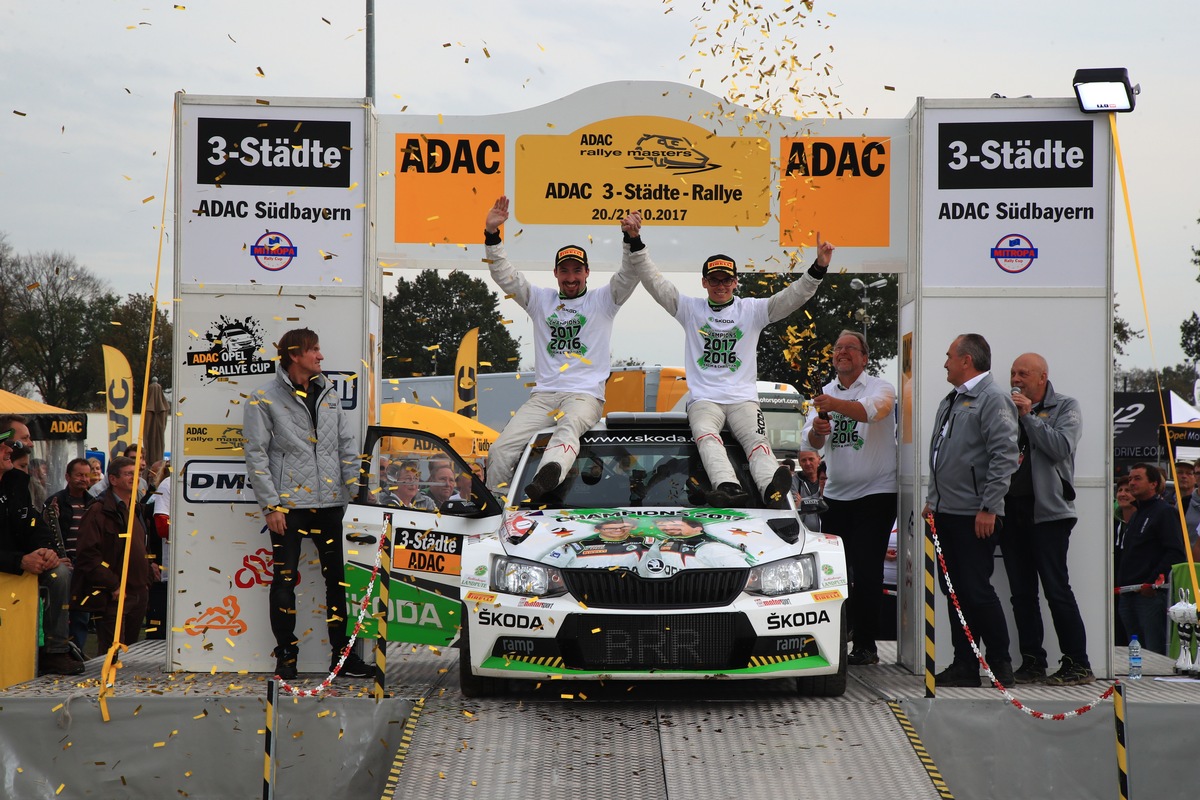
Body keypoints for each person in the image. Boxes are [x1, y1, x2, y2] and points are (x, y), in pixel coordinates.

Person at [626, 212, 833, 508]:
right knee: (707, 437)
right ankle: (726, 485)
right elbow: (655, 283)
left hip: (743, 399)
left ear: (736, 282)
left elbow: (792, 297)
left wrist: (818, 268)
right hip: (704, 399)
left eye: (726, 280)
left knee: (758, 443)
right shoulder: (690, 308)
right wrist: (634, 241)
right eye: (714, 280)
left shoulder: (752, 310)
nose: (720, 285)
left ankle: (770, 489)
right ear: (704, 282)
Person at [481, 195, 639, 503]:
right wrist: (492, 235)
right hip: (544, 396)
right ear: (555, 274)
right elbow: (505, 276)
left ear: (587, 273)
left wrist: (629, 239)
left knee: (568, 428)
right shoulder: (541, 300)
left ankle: (548, 475)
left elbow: (629, 275)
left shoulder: (603, 301)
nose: (570, 278)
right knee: (500, 450)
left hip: (585, 395)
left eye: (576, 271)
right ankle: (494, 512)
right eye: (564, 271)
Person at [243, 327, 372, 680]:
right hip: (289, 507)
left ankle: (341, 658)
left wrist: (357, 495)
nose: (321, 356)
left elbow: (347, 446)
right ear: (294, 355)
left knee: (339, 583)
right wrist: (271, 506)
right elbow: (255, 455)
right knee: (284, 581)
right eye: (314, 350)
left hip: (331, 505)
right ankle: (286, 656)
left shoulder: (328, 391)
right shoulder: (263, 397)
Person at [925, 333, 1019, 687]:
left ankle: (1000, 662)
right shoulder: (952, 400)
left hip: (975, 515)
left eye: (950, 356)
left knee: (976, 589)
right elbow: (941, 456)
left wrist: (990, 507)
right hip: (946, 513)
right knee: (955, 592)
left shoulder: (992, 399)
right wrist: (932, 502)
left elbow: (1004, 455)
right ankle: (965, 663)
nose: (945, 362)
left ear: (967, 360)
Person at [801, 329, 898, 666]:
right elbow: (810, 445)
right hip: (837, 496)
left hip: (877, 493)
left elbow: (875, 412)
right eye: (837, 347)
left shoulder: (881, 387)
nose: (842, 352)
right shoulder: (823, 393)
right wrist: (818, 429)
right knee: (835, 573)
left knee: (869, 570)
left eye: (850, 348)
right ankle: (835, 638)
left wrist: (834, 407)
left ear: (864, 357)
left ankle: (867, 646)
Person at [998, 353, 1093, 685]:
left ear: (1042, 377)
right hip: (1012, 510)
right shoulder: (1004, 408)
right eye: (1012, 372)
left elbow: (1060, 447)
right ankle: (1032, 661)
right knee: (1021, 593)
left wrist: (1029, 417)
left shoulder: (1066, 407)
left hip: (1050, 512)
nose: (1016, 378)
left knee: (1056, 588)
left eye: (1023, 372)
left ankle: (1077, 663)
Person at [0, 431, 84, 675]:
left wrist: (47, 550)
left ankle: (54, 652)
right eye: (3, 447)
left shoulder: (16, 480)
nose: (10, 451)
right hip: (11, 565)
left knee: (60, 573)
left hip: (23, 565)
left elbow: (32, 522)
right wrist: (20, 560)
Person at [72, 456, 159, 654]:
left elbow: (141, 544)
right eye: (129, 473)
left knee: (128, 655)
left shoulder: (135, 508)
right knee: (111, 656)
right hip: (114, 596)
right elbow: (87, 555)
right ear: (113, 479)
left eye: (136, 473)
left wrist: (148, 567)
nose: (134, 478)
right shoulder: (99, 511)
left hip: (138, 593)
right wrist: (112, 585)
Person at [1117, 463, 1186, 655]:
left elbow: (1175, 552)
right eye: (1130, 478)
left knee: (1152, 651)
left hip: (1149, 596)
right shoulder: (1137, 513)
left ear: (1154, 484)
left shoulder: (1164, 512)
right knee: (1135, 653)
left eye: (1137, 478)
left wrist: (1152, 582)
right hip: (1128, 593)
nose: (1131, 483)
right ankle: (1139, 685)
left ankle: (1156, 685)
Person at [44, 457, 97, 652]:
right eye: (79, 475)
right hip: (64, 563)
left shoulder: (93, 503)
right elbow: (47, 534)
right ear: (67, 476)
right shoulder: (55, 501)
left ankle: (78, 652)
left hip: (85, 565)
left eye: (86, 475)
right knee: (61, 612)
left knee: (81, 613)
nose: (83, 479)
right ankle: (58, 651)